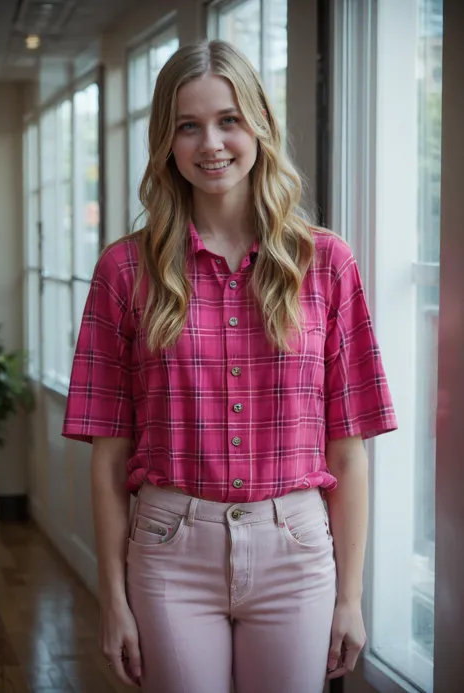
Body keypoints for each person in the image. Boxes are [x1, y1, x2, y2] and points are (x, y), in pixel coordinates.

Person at [62, 39, 397, 693]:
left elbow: (349, 449)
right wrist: (112, 598)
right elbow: (107, 456)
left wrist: (351, 595)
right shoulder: (123, 270)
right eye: (188, 125)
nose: (210, 143)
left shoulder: (327, 263)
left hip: (296, 549)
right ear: (166, 140)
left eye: (228, 120)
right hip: (168, 548)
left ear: (260, 127)